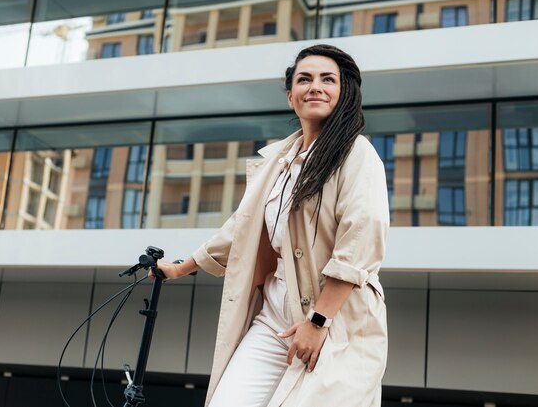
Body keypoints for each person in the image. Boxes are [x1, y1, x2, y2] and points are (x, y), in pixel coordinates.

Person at [152, 44, 389, 407]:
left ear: (344, 94)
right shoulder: (278, 159)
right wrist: (181, 267)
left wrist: (318, 321)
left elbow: (359, 242)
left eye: (328, 80)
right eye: (304, 79)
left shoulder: (358, 153)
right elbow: (242, 227)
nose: (315, 87)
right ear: (290, 96)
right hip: (276, 312)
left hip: (337, 315)